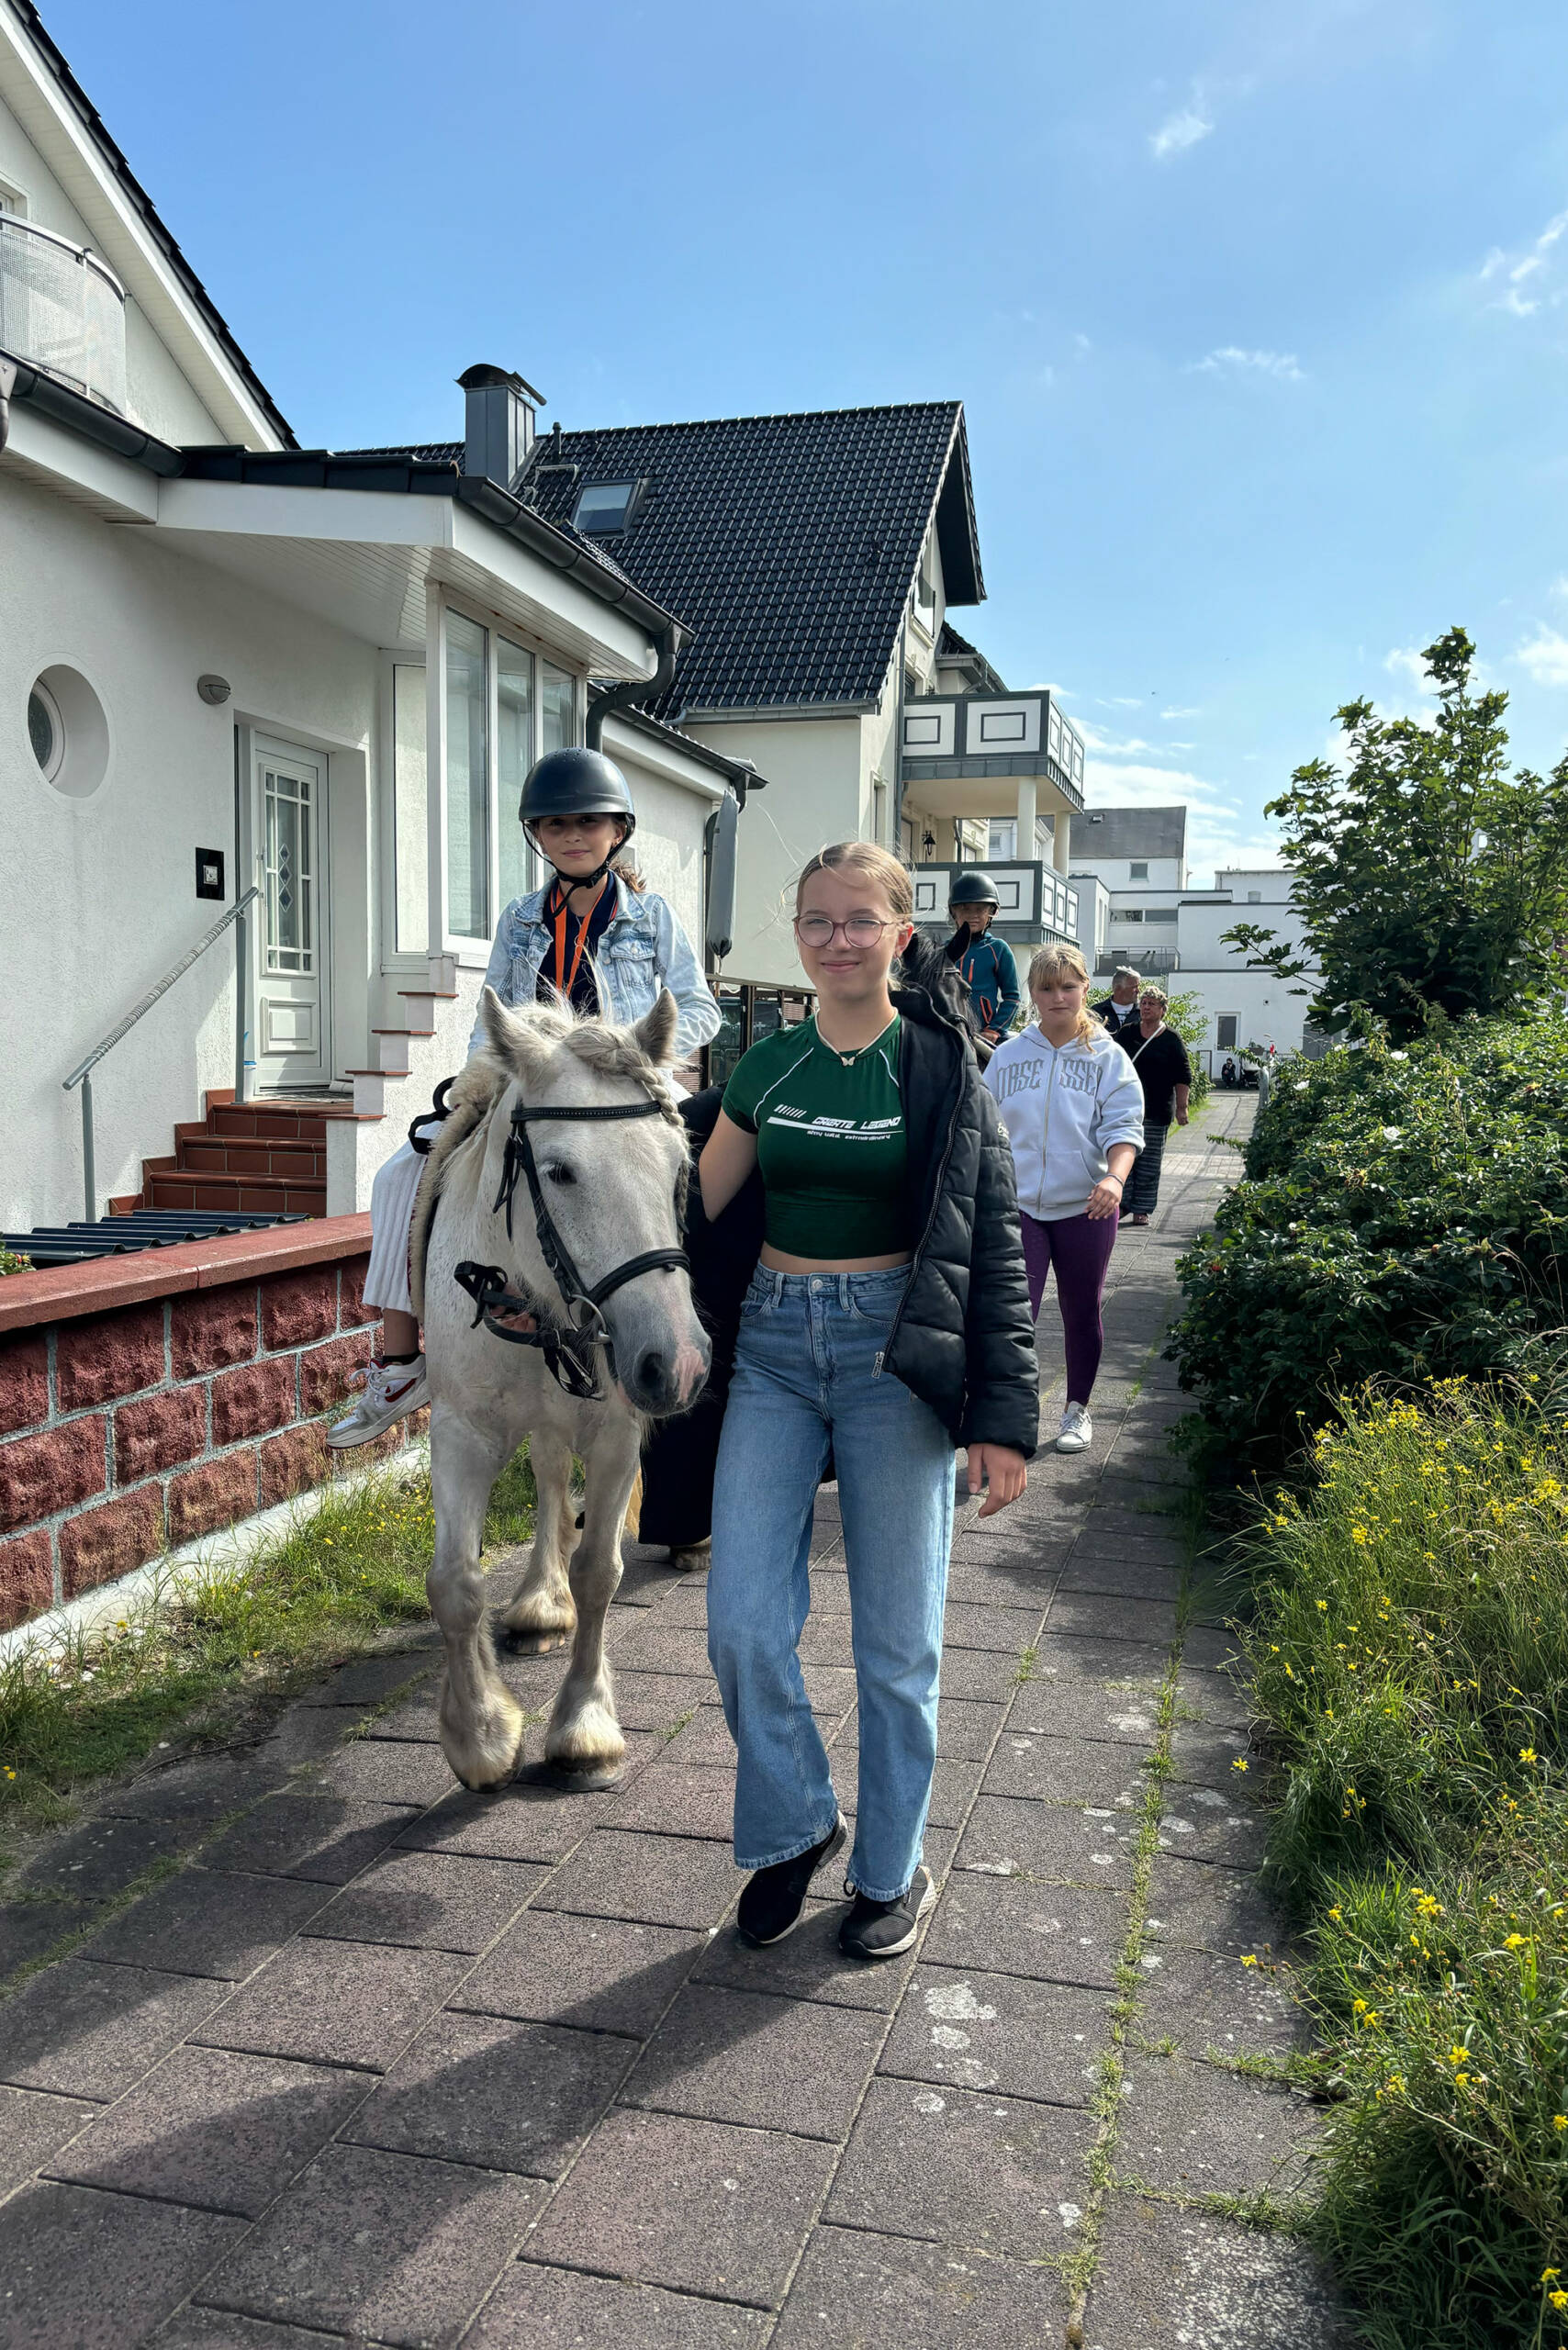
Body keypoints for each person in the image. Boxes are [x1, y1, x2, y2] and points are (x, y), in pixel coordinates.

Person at [700, 842, 1038, 1961]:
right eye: (815, 920)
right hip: (774, 1352)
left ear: (902, 936)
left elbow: (986, 1246)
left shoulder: (939, 1066)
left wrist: (1000, 1417)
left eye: (859, 920)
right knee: (744, 1624)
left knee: (898, 1647)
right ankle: (798, 1822)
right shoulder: (764, 1068)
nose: (837, 939)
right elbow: (689, 1219)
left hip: (900, 1355)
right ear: (793, 935)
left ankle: (890, 1869)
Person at [328, 747, 721, 1448]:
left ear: (618, 831)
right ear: (537, 836)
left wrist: (647, 1052)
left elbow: (699, 1007)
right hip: (538, 1089)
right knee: (398, 1176)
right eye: (556, 824)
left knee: (693, 1188)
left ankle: (694, 1340)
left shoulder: (654, 917)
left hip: (629, 1092)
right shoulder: (519, 919)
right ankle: (400, 1360)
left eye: (589, 822)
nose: (573, 835)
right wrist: (474, 1092)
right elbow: (495, 1017)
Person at [982, 944, 1146, 1457]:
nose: (1058, 997)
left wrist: (1115, 1181)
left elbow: (1124, 1128)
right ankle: (1014, 1416)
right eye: (1046, 988)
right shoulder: (1007, 1056)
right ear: (1032, 994)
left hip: (1088, 1206)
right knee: (1014, 1316)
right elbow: (984, 1128)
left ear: (1085, 990)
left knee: (1081, 1308)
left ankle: (1077, 1408)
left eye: (1068, 986)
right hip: (1018, 1208)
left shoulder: (1108, 1057)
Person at [1121, 985, 1192, 1227]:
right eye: (1144, 1002)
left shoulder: (1171, 1039)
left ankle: (1142, 1209)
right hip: (1126, 1109)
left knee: (1149, 1161)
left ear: (1163, 1009)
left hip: (1157, 1109)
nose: (1146, 1007)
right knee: (1123, 1156)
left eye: (1152, 1003)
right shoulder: (1127, 1032)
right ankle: (1122, 1204)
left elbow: (1183, 1075)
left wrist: (1182, 1108)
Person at [944, 870, 1021, 1045]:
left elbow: (1012, 997)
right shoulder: (943, 950)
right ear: (954, 912)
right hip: (949, 1031)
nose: (973, 915)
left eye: (980, 909)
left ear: (991, 912)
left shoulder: (998, 949)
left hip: (984, 1034)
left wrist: (995, 1029)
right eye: (965, 908)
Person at [1092, 965, 1142, 1042]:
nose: (1138, 991)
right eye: (1134, 987)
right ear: (1118, 989)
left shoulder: (1143, 1012)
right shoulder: (1097, 1012)